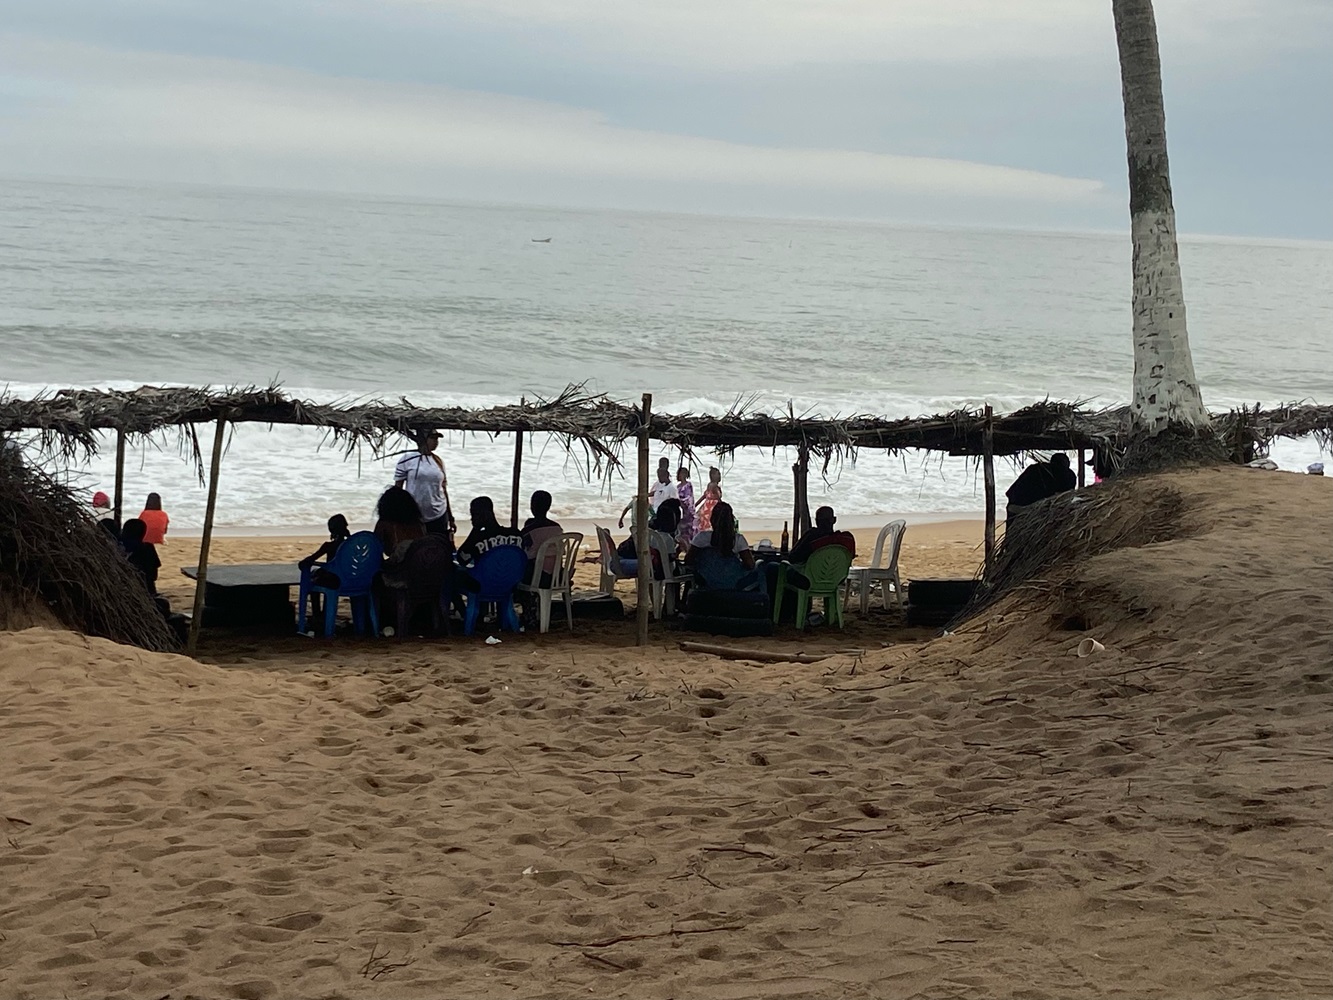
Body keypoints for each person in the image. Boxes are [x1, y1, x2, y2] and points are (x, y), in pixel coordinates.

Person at [685, 501, 763, 592]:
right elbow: (750, 565)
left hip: (707, 582)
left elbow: (688, 561)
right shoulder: (737, 539)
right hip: (733, 583)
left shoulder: (701, 538)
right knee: (761, 569)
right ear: (731, 520)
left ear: (712, 519)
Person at [394, 430, 455, 536]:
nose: (436, 442)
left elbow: (443, 489)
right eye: (432, 438)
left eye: (437, 439)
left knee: (438, 546)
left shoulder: (438, 461)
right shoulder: (407, 459)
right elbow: (398, 489)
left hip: (439, 513)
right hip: (414, 514)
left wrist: (450, 517)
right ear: (423, 439)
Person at [1005, 453, 1077, 521]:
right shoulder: (1039, 472)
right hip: (1021, 506)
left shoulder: (1067, 476)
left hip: (1019, 505)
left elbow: (1064, 497)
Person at [457, 496, 524, 565]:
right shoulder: (515, 534)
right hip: (514, 575)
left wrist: (475, 529)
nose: (472, 519)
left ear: (484, 515)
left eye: (474, 515)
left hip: (485, 575)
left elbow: (462, 559)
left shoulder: (478, 539)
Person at [521, 490, 564, 587]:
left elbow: (524, 551)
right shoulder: (557, 528)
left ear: (532, 506)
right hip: (556, 574)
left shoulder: (529, 530)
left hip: (536, 577)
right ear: (548, 507)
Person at [299, 514, 351, 590]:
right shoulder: (352, 545)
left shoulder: (328, 546)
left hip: (334, 581)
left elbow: (310, 559)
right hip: (352, 579)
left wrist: (303, 563)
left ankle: (316, 602)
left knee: (312, 580)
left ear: (331, 529)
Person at [374, 487, 426, 561]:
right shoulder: (418, 523)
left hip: (400, 566)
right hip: (421, 563)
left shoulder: (384, 524)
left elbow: (375, 550)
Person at [120, 518, 161, 594]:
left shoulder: (115, 547)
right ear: (143, 533)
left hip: (122, 587)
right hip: (145, 589)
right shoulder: (147, 548)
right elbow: (153, 575)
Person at [696, 466, 722, 532]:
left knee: (704, 528)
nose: (719, 475)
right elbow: (719, 499)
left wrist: (695, 505)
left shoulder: (709, 485)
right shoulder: (715, 486)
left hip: (705, 508)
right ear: (712, 476)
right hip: (711, 510)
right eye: (718, 474)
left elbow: (704, 496)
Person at [675, 466, 696, 546]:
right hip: (682, 511)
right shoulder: (678, 487)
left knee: (689, 530)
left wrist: (681, 502)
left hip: (688, 511)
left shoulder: (688, 485)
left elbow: (688, 498)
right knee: (682, 531)